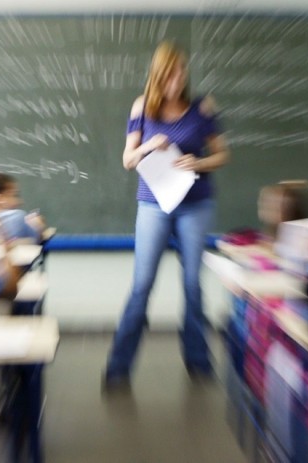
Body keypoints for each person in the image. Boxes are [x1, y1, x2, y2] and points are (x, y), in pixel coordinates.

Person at [104, 41, 230, 389]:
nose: (177, 80)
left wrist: (199, 162)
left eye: (181, 73)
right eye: (170, 75)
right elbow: (128, 160)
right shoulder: (142, 107)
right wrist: (149, 145)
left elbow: (222, 155)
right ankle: (118, 368)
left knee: (192, 284)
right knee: (142, 285)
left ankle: (198, 360)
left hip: (195, 204)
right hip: (153, 204)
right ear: (157, 76)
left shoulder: (203, 107)